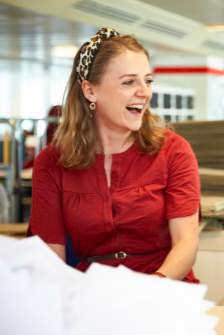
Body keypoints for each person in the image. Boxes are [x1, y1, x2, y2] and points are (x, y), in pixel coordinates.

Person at [28, 28, 200, 282]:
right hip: (93, 291)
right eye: (129, 82)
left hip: (166, 287)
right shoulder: (52, 162)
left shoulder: (174, 151)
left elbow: (187, 241)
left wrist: (151, 288)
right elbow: (49, 256)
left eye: (148, 80)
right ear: (90, 92)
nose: (145, 92)